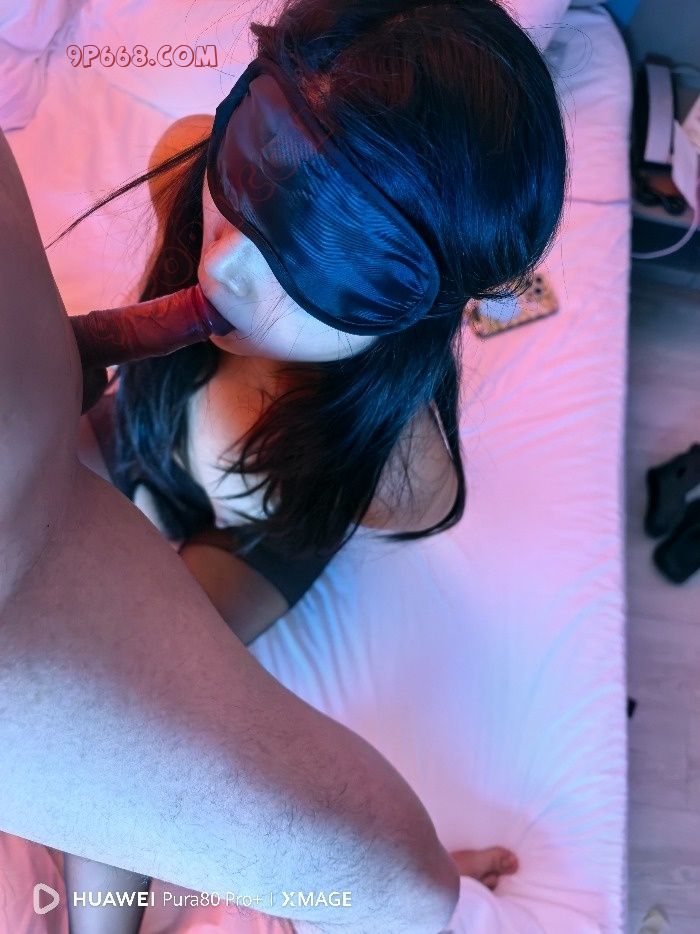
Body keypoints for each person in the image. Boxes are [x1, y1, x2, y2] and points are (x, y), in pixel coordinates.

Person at [0, 0, 568, 929]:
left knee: (145, 723)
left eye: (334, 257)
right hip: (146, 427)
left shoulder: (404, 470)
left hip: (261, 531)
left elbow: (141, 729)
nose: (226, 269)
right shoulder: (182, 163)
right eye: (254, 161)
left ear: (411, 309)